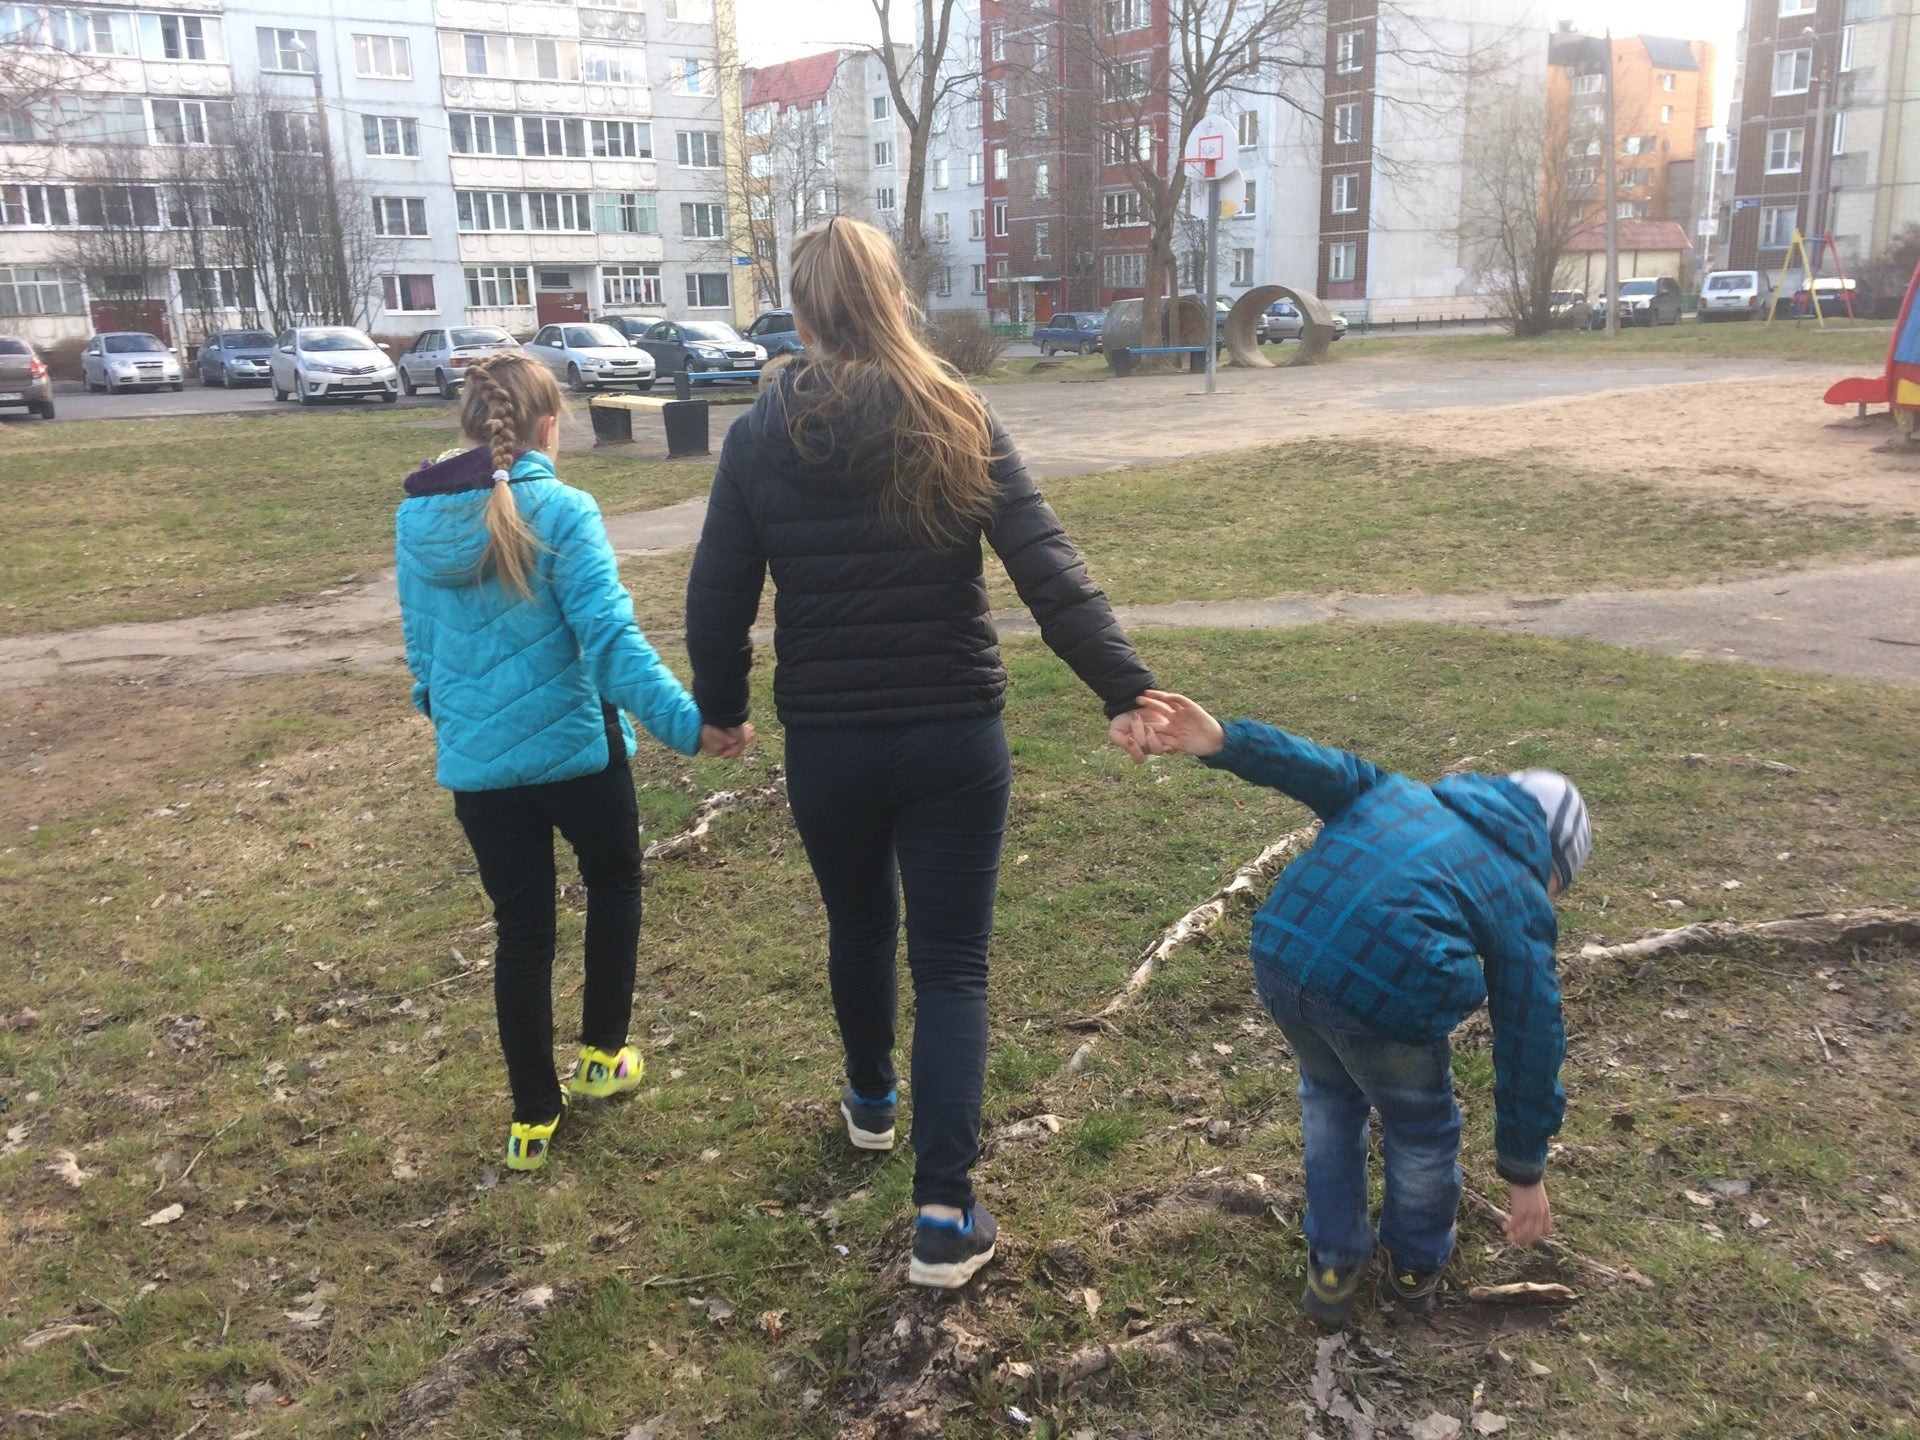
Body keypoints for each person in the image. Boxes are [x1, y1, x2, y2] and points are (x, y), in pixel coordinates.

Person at [684, 217, 1161, 1288]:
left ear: (803, 315)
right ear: (894, 299)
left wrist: (720, 706)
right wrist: (1123, 687)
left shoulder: (763, 433)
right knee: (952, 967)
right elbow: (1050, 568)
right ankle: (944, 1210)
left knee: (860, 925)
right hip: (953, 736)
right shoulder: (958, 410)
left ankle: (870, 1101)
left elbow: (716, 595)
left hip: (833, 746)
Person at [1135, 690, 1590, 1329]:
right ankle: (1413, 1267)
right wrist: (1524, 1169)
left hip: (1283, 954)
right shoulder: (1520, 894)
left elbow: (1312, 764)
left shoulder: (1399, 793)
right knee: (1421, 1127)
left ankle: (1333, 1264)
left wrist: (1222, 740)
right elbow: (1530, 1034)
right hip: (1386, 994)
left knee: (1329, 1098)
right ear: (1551, 860)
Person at [396, 352, 750, 1173]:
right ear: (550, 427)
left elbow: (421, 659)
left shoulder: (414, 522)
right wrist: (689, 725)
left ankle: (531, 1119)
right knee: (615, 883)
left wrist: (451, 721)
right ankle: (601, 1056)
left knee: (521, 931)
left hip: (481, 776)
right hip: (581, 761)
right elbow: (613, 646)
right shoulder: (566, 511)